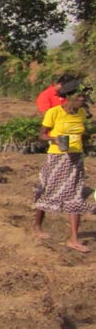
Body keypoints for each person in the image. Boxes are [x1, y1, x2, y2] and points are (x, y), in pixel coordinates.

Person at [32, 83, 96, 253]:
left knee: (75, 195)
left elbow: (81, 133)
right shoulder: (54, 113)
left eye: (84, 100)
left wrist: (87, 139)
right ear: (68, 97)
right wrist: (55, 139)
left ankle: (73, 239)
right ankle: (37, 225)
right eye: (80, 99)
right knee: (48, 192)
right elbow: (41, 135)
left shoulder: (81, 113)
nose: (82, 102)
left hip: (76, 158)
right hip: (57, 158)